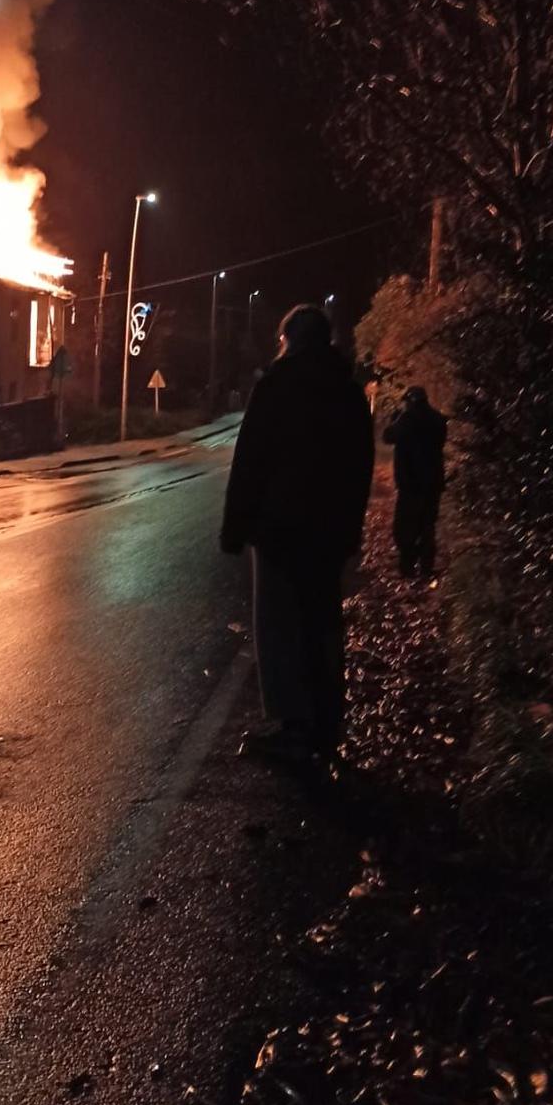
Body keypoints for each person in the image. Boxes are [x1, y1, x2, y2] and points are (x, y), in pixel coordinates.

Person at [220, 303, 375, 763]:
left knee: (281, 626)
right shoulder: (347, 392)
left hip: (280, 530)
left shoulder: (277, 386)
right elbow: (359, 467)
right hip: (328, 533)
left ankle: (292, 725)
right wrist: (352, 530)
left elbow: (250, 461)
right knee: (323, 623)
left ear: (288, 339)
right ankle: (326, 723)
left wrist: (235, 526)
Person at [382, 384, 448, 578]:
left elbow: (388, 436)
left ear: (410, 401)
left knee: (405, 526)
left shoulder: (408, 419)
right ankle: (426, 567)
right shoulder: (437, 419)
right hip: (433, 481)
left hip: (410, 482)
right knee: (427, 524)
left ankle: (408, 567)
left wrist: (396, 418)